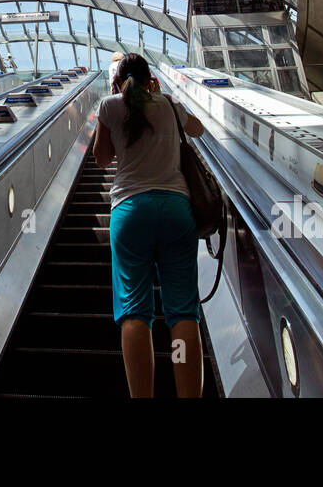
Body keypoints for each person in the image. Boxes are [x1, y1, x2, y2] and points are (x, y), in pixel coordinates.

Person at [93, 52, 206, 398]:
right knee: (183, 312)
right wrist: (160, 98)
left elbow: (101, 158)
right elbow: (198, 130)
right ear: (149, 79)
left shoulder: (110, 105)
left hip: (129, 212)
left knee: (134, 314)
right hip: (176, 209)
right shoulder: (169, 104)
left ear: (116, 82)